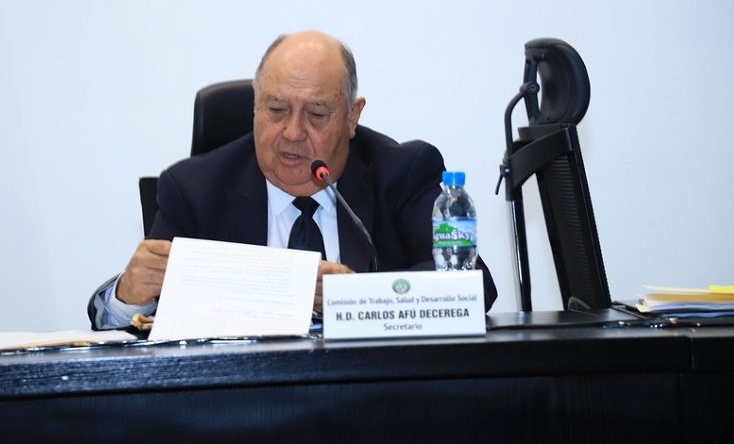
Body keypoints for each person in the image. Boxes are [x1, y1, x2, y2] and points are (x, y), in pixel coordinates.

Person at [88, 30, 497, 329]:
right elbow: (146, 327)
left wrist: (359, 301)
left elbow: (470, 283)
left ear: (353, 116)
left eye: (317, 114)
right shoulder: (194, 190)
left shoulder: (401, 173)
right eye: (276, 109)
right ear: (255, 103)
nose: (293, 133)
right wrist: (126, 296)